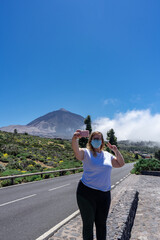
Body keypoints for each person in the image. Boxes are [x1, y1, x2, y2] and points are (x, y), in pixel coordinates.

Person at [72, 130, 125, 240]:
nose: (97, 141)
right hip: (86, 194)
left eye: (99, 139)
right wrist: (75, 139)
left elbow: (121, 164)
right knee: (88, 225)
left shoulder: (107, 155)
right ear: (90, 141)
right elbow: (77, 152)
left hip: (104, 195)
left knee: (101, 224)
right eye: (94, 139)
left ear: (102, 141)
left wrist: (115, 150)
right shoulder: (86, 153)